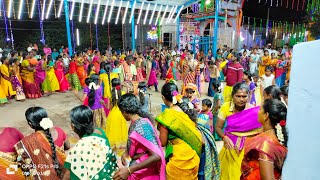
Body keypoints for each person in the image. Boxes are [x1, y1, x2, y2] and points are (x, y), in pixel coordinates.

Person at [156, 83, 202, 179]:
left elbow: (163, 142)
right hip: (193, 157)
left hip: (178, 160)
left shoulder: (167, 115)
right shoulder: (186, 107)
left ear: (163, 97)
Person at [216, 82, 262, 180]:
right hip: (230, 147)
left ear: (249, 96)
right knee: (229, 173)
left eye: (244, 96)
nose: (241, 99)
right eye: (238, 96)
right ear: (233, 96)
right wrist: (224, 137)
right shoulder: (225, 107)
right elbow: (218, 127)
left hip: (247, 149)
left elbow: (258, 131)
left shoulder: (253, 110)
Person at [114, 94, 165, 180]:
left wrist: (129, 170)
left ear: (124, 111)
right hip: (138, 166)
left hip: (146, 172)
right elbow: (137, 142)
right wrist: (126, 152)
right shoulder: (136, 122)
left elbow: (156, 156)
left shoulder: (141, 126)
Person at [63, 105, 117, 180]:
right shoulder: (100, 132)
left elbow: (67, 175)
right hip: (109, 174)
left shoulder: (77, 149)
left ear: (73, 126)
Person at [15, 107, 68, 179]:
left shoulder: (27, 142)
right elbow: (67, 146)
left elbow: (24, 166)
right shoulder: (59, 131)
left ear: (30, 124)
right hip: (65, 174)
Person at [241, 99, 288, 180]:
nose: (257, 112)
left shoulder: (265, 145)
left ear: (266, 115)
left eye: (260, 109)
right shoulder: (272, 137)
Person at [105, 78, 128, 155]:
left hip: (113, 114)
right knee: (121, 130)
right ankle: (120, 148)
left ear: (112, 85)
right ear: (119, 85)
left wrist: (102, 103)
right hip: (121, 114)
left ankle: (113, 149)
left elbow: (108, 107)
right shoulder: (123, 92)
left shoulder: (110, 94)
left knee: (113, 130)